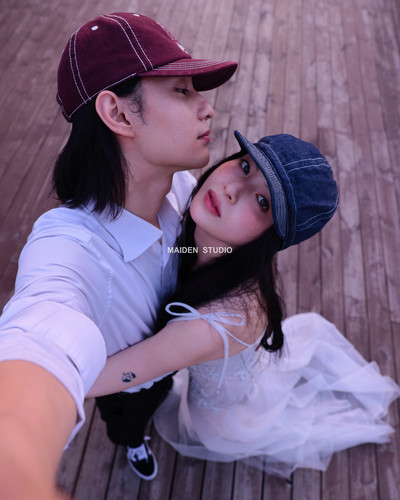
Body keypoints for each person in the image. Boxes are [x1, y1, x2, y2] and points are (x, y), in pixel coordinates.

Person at [0, 12, 237, 499]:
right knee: (129, 420)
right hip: (123, 386)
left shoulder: (181, 187)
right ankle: (133, 444)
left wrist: (221, 257)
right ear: (119, 114)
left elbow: (181, 247)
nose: (207, 108)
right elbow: (42, 334)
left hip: (169, 358)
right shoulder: (70, 248)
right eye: (182, 91)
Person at [88, 130, 400, 479]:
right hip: (200, 355)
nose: (232, 189)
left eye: (263, 202)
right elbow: (179, 250)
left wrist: (46, 385)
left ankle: (134, 441)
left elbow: (111, 376)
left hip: (218, 410)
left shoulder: (212, 325)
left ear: (270, 238)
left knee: (132, 406)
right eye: (246, 166)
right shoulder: (211, 243)